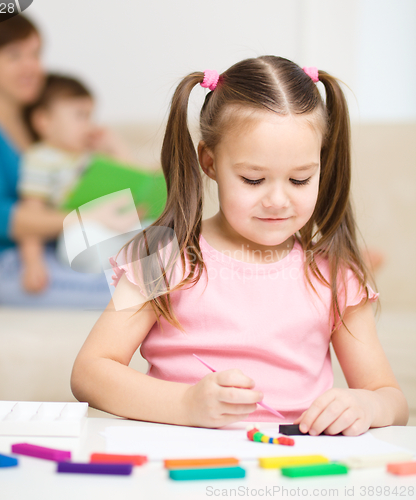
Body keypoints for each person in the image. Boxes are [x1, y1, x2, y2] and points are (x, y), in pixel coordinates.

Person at [71, 56, 409, 433]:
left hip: (293, 469)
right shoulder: (162, 255)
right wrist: (185, 404)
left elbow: (391, 399)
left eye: (299, 180)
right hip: (183, 463)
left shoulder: (335, 273)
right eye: (253, 179)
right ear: (210, 162)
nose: (278, 200)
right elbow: (90, 372)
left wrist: (368, 404)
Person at [0, 13, 139, 308]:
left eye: (35, 54)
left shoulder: (38, 127)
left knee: (158, 275)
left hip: (61, 253)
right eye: (15, 55)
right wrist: (85, 218)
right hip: (11, 267)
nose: (32, 66)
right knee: (142, 292)